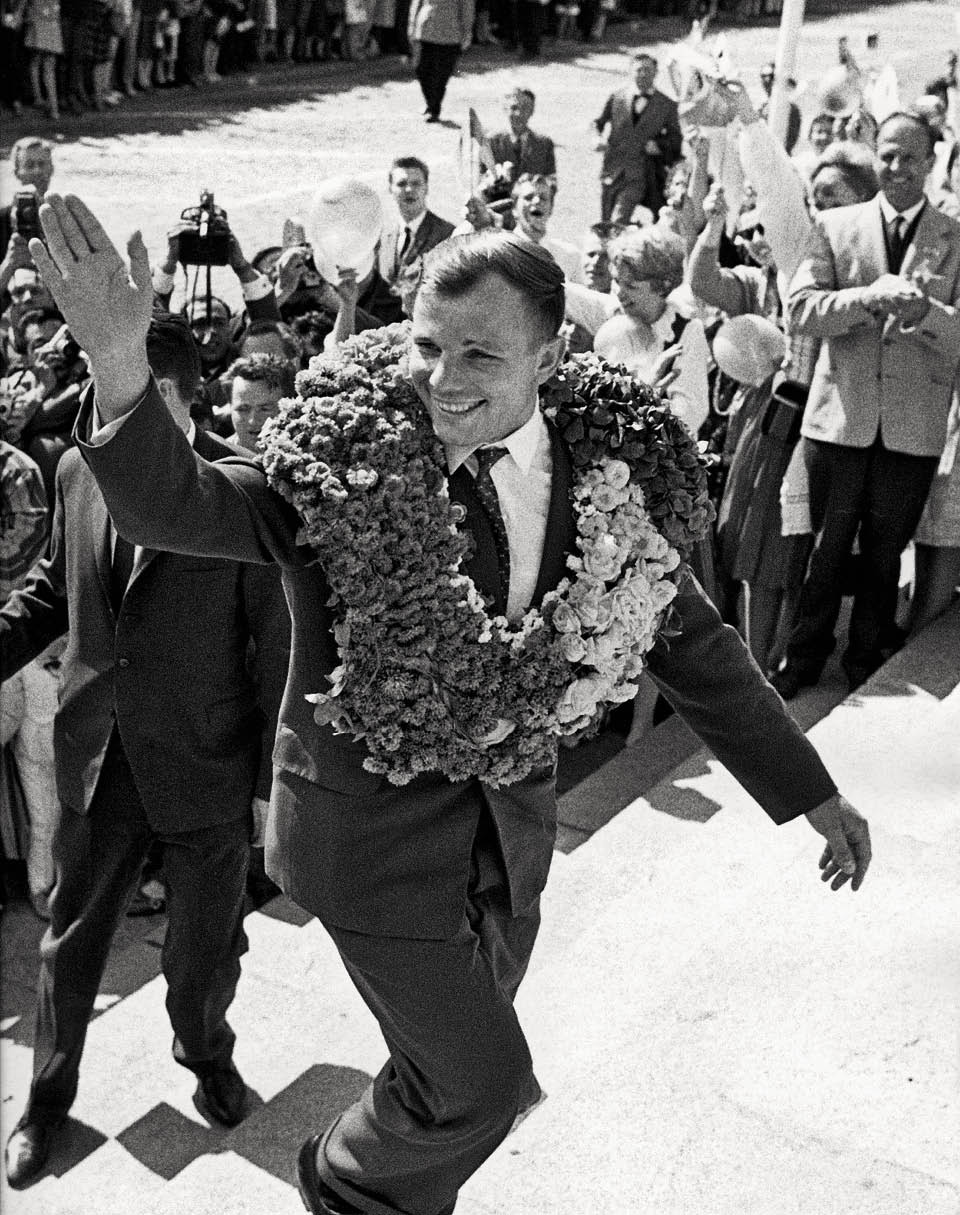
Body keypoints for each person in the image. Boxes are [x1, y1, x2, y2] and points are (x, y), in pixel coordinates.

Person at [26, 197, 870, 1215]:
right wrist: (118, 364)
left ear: (550, 358)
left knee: (445, 1090)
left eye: (480, 355)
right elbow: (184, 505)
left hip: (508, 845)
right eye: (428, 345)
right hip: (367, 844)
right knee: (484, 1085)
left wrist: (811, 791)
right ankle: (335, 1176)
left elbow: (696, 647)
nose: (442, 378)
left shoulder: (608, 471)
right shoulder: (345, 459)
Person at [0, 311, 290, 1189]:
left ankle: (206, 1056)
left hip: (206, 764)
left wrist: (269, 787)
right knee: (69, 949)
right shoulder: (77, 468)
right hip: (99, 759)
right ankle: (45, 1103)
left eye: (109, 380)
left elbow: (273, 649)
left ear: (166, 394)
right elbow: (54, 592)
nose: (91, 402)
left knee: (203, 952)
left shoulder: (240, 490)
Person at [772, 112, 960, 698]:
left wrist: (926, 314)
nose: (897, 167)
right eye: (887, 154)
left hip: (913, 428)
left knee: (885, 554)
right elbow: (801, 310)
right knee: (822, 551)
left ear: (931, 160)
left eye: (910, 156)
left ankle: (866, 659)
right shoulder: (834, 225)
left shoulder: (954, 235)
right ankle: (803, 657)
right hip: (839, 421)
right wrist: (865, 299)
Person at [594, 51, 682, 225]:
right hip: (612, 169)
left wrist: (658, 146)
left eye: (647, 70)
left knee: (619, 218)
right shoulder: (617, 98)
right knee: (606, 222)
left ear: (656, 73)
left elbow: (676, 139)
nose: (642, 74)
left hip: (641, 173)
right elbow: (598, 122)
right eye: (638, 70)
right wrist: (596, 138)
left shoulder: (666, 105)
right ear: (630, 72)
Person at [377, 156, 455, 296]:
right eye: (401, 184)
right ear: (390, 189)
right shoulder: (382, 237)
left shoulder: (447, 234)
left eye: (416, 184)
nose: (409, 189)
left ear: (426, 188)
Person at [482, 86, 556, 201]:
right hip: (497, 206)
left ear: (532, 111)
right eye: (514, 107)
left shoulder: (544, 144)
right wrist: (494, 180)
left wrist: (537, 184)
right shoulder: (491, 142)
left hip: (530, 207)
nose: (519, 113)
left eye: (525, 108)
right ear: (505, 109)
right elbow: (479, 181)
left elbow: (552, 183)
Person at [407, 0, 473, 123]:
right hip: (426, 30)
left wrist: (467, 31)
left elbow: (467, 7)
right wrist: (412, 25)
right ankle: (431, 103)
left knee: (442, 74)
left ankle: (434, 108)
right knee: (421, 69)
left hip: (450, 33)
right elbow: (416, 3)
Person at [756, 61, 802, 155]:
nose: (767, 80)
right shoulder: (760, 110)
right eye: (763, 76)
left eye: (771, 76)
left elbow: (791, 138)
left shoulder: (790, 109)